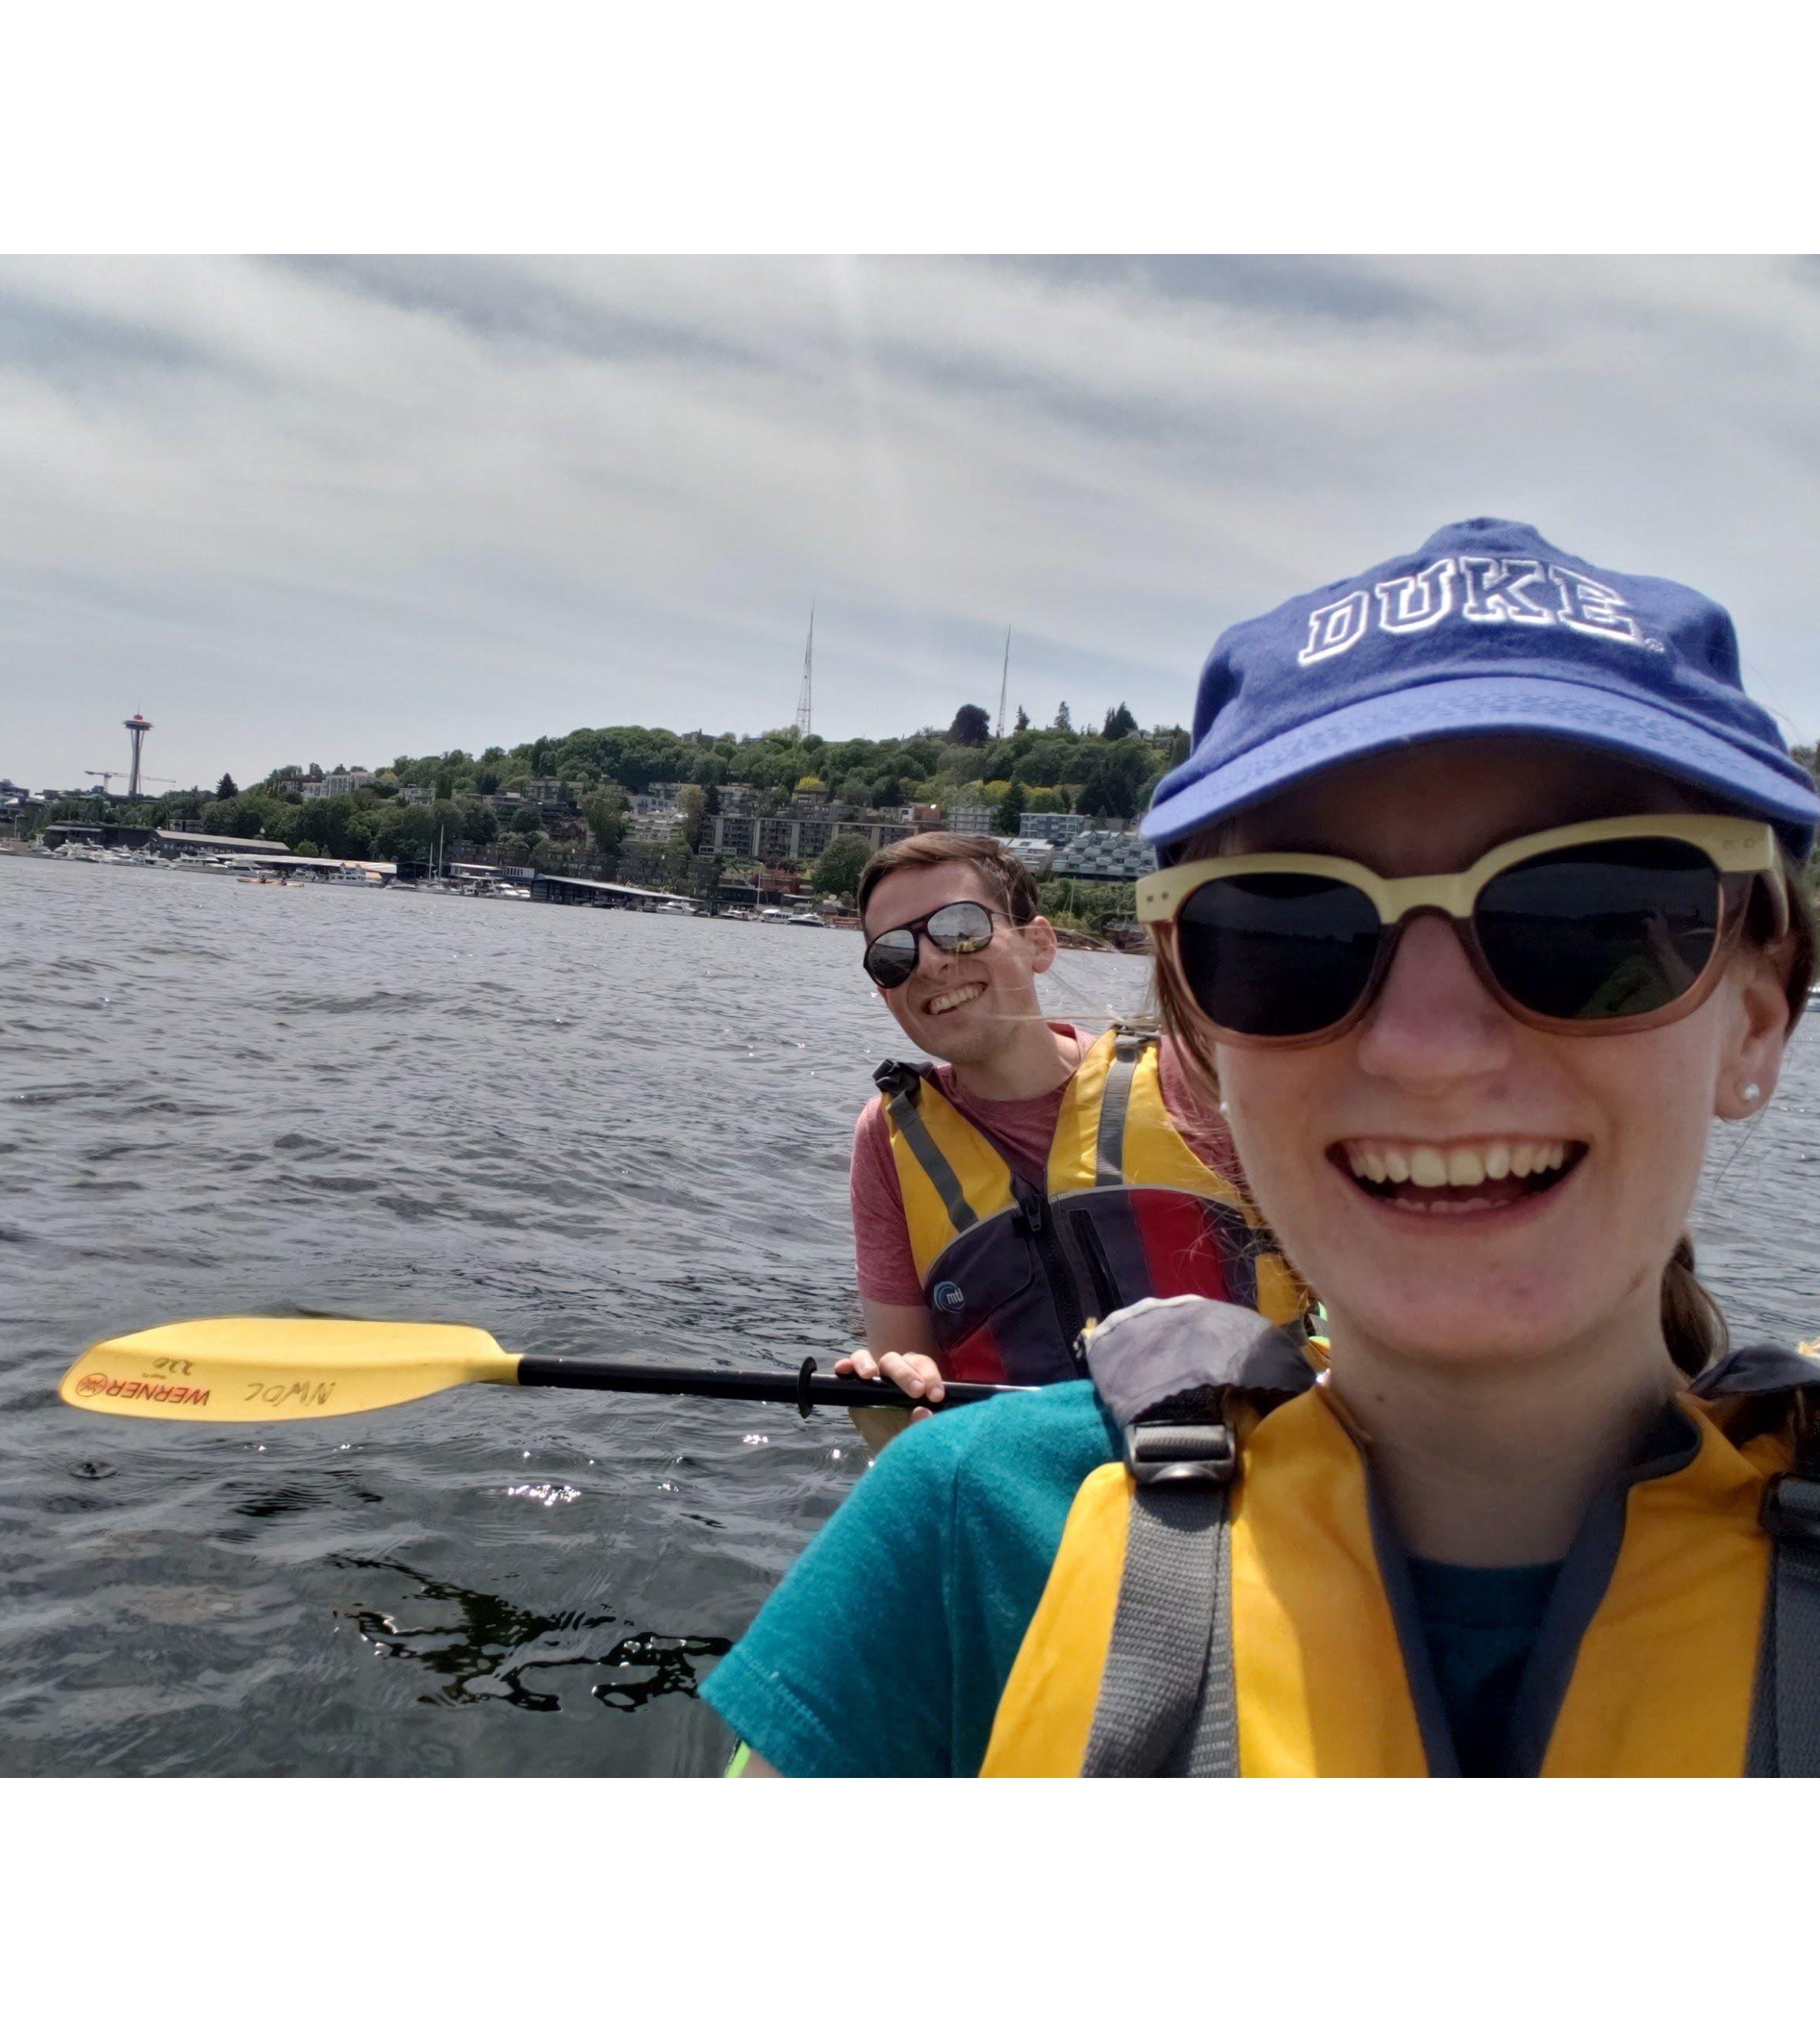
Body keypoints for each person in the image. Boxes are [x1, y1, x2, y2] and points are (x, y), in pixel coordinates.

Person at [704, 517, 1818, 1776]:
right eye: (1287, 935)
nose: (1429, 1046)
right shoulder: (968, 1529)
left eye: (1593, 912)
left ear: (1761, 1013)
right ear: (1207, 1035)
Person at [833, 831, 1310, 1451]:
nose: (928, 963)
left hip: (1268, 1487)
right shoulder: (887, 1142)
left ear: (1039, 943)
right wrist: (889, 1412)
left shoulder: (1193, 1079)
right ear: (884, 990)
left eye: (959, 926)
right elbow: (908, 1390)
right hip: (1034, 1503)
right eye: (894, 955)